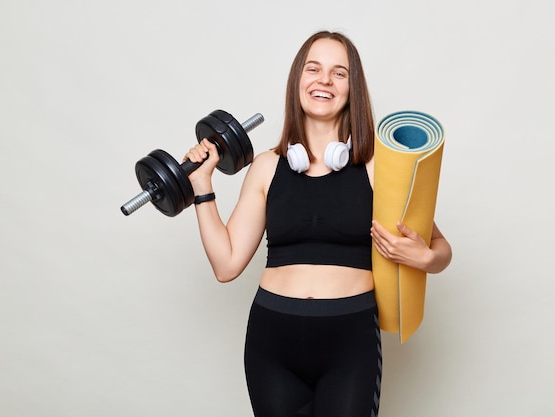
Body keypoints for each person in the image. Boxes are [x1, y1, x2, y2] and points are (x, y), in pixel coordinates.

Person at [184, 30, 452, 417]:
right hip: (271, 341)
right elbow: (226, 265)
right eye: (313, 69)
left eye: (338, 73)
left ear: (352, 88)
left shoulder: (379, 167)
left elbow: (441, 250)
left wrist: (423, 258)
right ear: (298, 81)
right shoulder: (266, 167)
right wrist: (201, 186)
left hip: (350, 339)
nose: (324, 80)